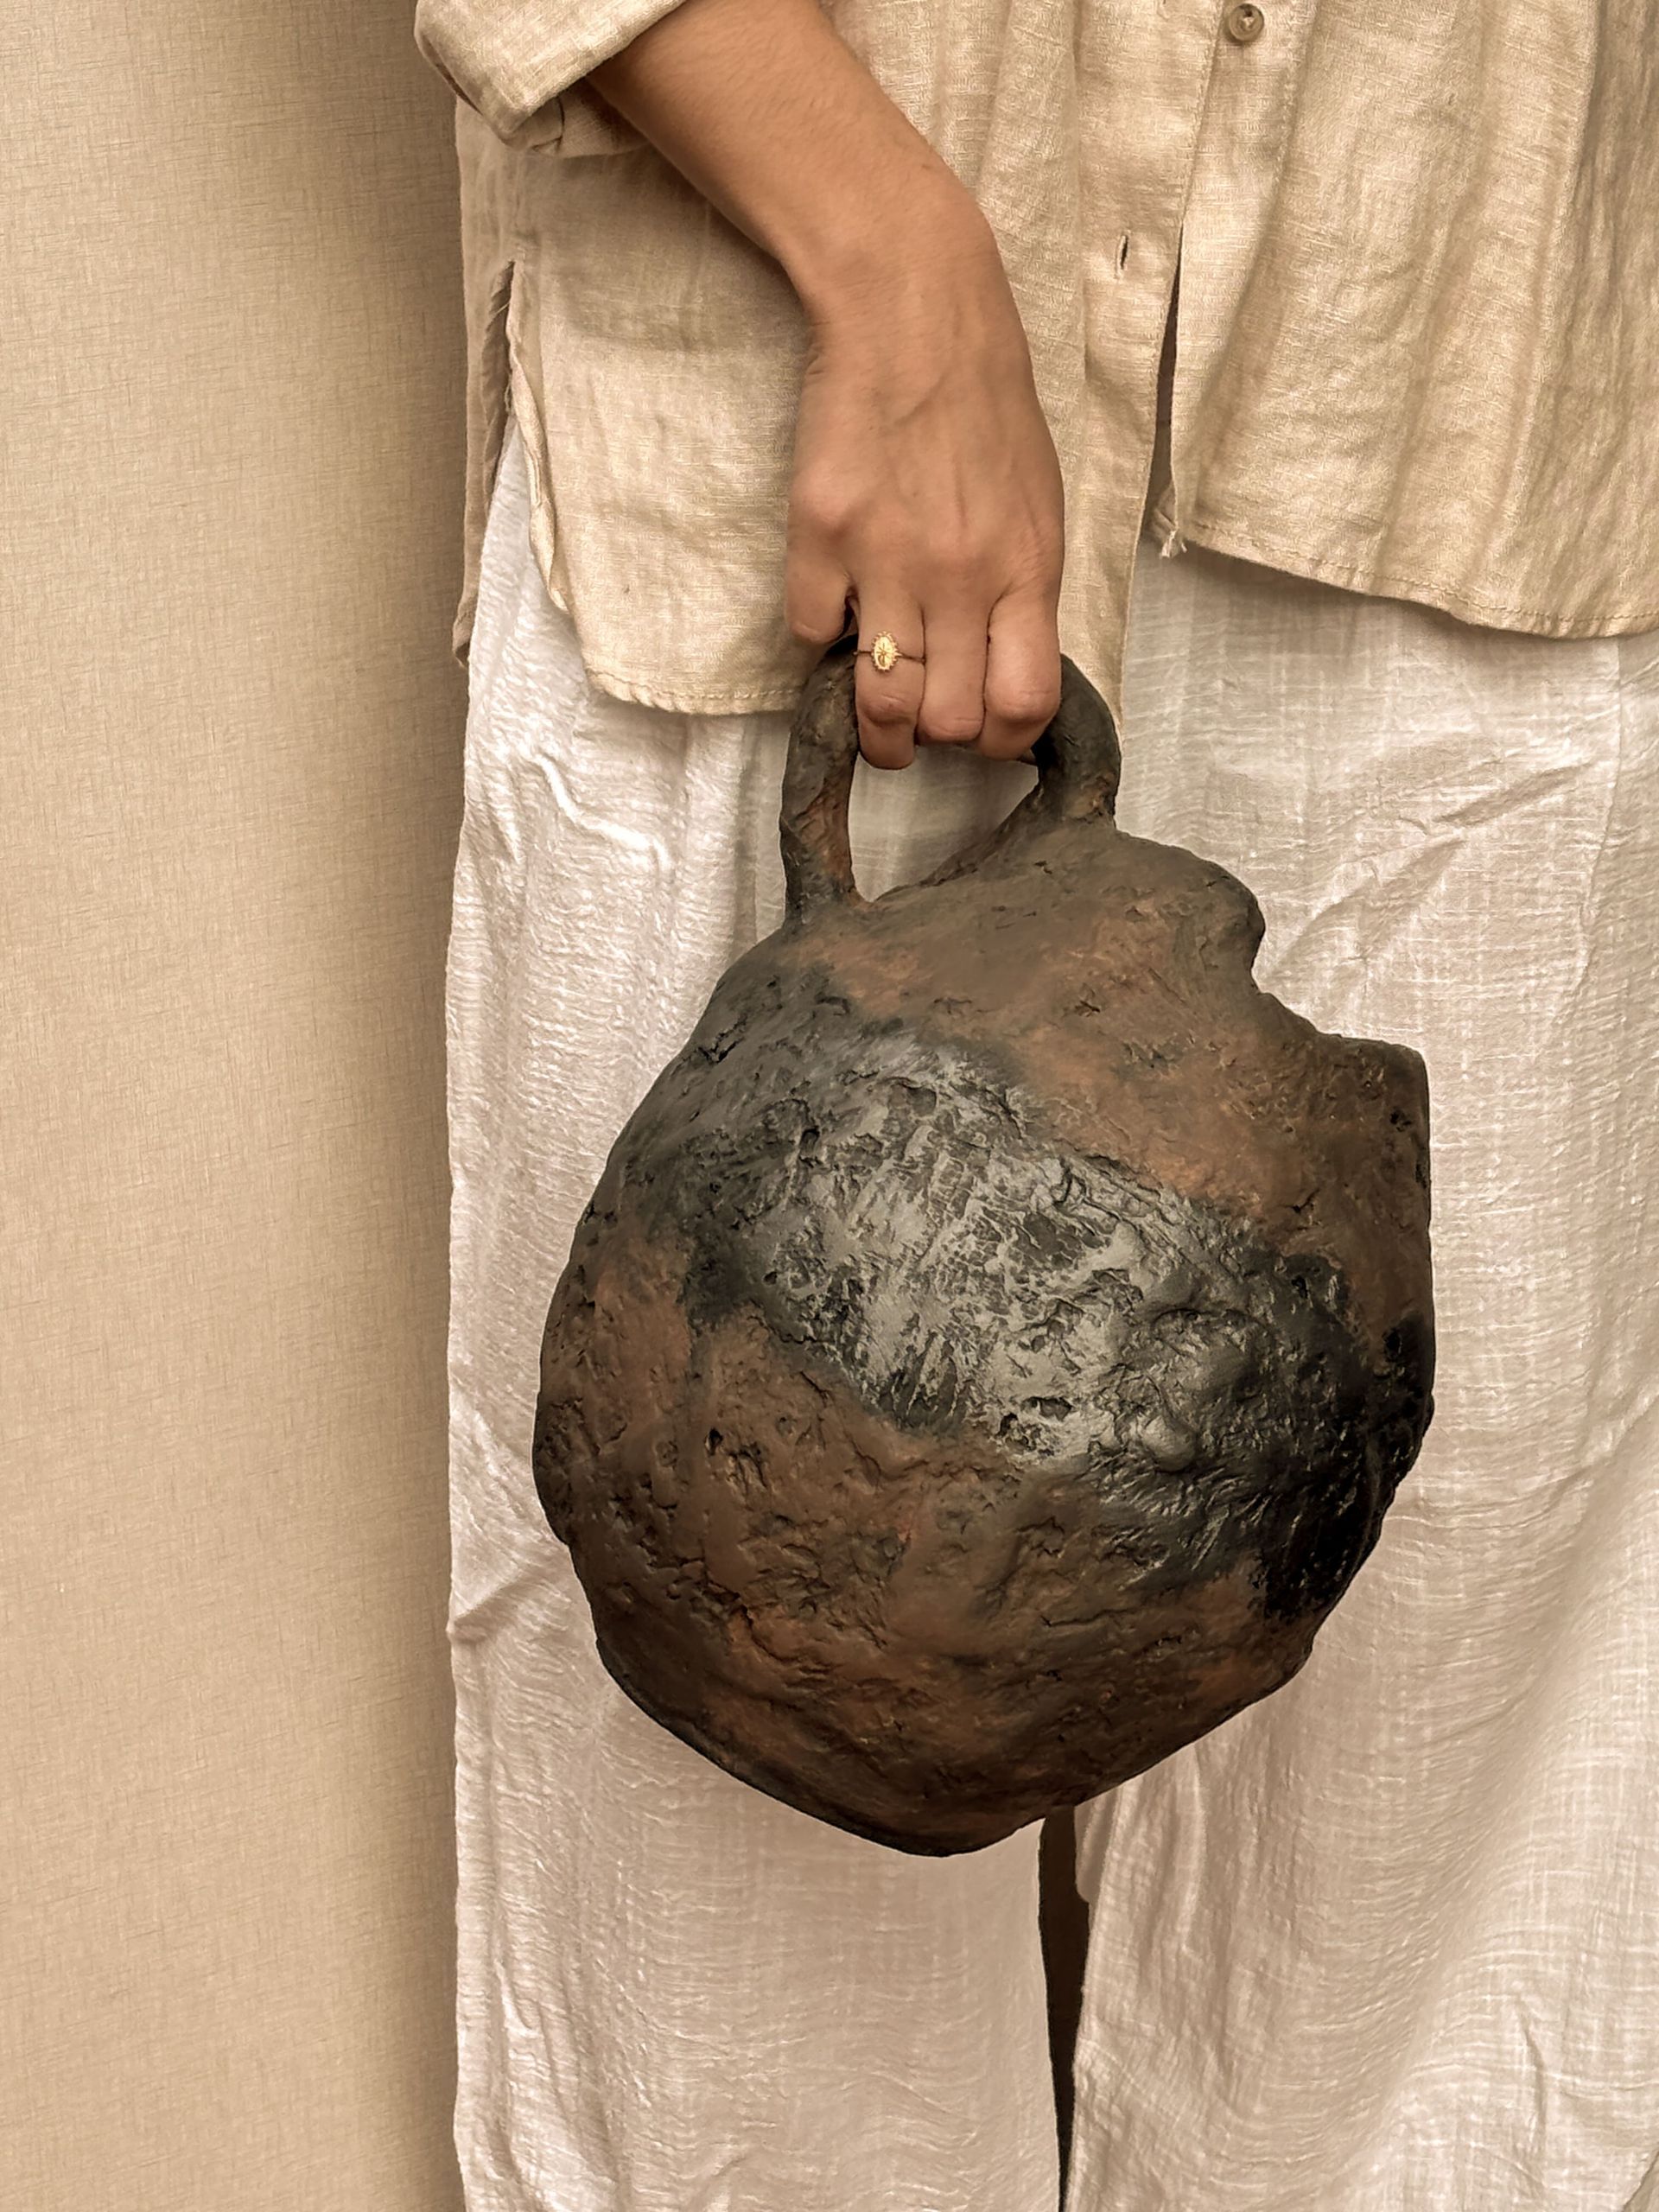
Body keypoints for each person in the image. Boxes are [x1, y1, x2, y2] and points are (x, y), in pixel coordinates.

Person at [415, 0, 1659, 2203]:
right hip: (781, 365)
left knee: (1432, 1815)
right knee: (725, 1797)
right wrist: (888, 256)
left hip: (1467, 337)